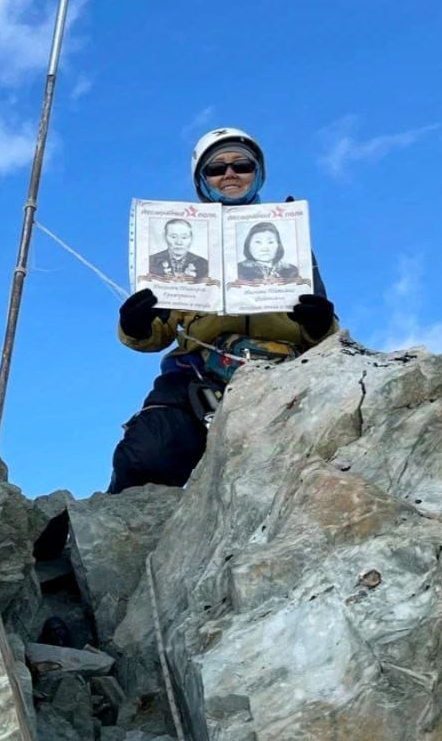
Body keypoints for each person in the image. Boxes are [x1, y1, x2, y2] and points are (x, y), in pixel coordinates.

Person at [109, 126, 338, 493]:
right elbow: (158, 332)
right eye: (216, 169)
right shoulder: (184, 242)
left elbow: (326, 335)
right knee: (147, 455)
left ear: (258, 173)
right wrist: (135, 325)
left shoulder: (290, 239)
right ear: (202, 180)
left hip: (282, 370)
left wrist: (319, 323)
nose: (230, 174)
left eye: (242, 165)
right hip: (195, 374)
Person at [236, 221, 302, 284]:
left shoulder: (291, 270)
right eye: (258, 242)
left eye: (270, 242)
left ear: (278, 245)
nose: (265, 248)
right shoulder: (238, 270)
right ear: (248, 245)